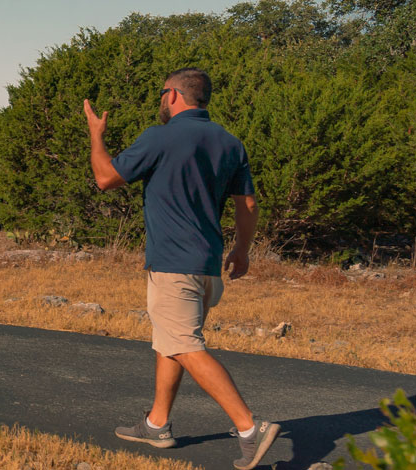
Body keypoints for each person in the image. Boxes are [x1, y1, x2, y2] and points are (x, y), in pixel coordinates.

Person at [82, 67, 279, 470]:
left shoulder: (160, 136)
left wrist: (96, 135)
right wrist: (242, 250)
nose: (160, 100)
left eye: (160, 93)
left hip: (173, 264)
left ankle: (249, 428)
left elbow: (105, 178)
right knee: (171, 341)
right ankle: (157, 424)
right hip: (208, 266)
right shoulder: (229, 142)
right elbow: (249, 205)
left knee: (185, 345)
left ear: (172, 95)